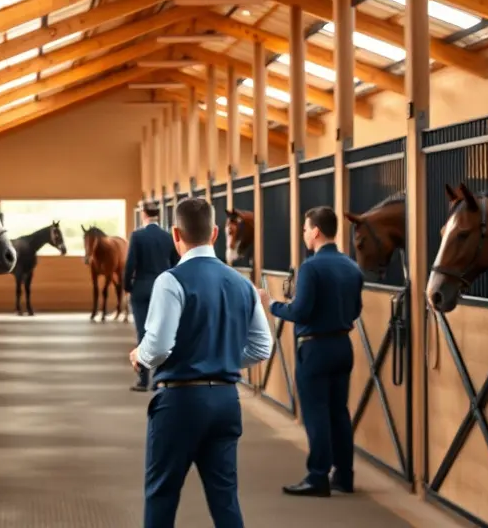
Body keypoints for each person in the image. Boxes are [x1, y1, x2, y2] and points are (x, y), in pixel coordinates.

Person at [129, 198, 274, 528]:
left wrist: (141, 355)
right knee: (225, 499)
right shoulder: (242, 284)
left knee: (162, 495)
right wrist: (218, 355)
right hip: (226, 400)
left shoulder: (171, 280)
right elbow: (262, 347)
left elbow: (160, 346)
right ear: (215, 233)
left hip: (180, 401)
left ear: (175, 234)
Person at [257, 206, 363, 498]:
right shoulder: (352, 267)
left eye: (305, 229)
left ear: (315, 231)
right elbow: (355, 310)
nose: (304, 234)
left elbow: (301, 312)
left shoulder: (311, 268)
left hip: (315, 348)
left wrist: (272, 305)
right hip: (343, 345)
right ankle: (344, 474)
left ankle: (318, 476)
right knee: (339, 412)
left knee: (316, 413)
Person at [123, 202, 179, 391]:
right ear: (158, 214)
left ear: (143, 214)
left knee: (143, 332)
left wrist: (128, 286)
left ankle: (143, 379)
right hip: (163, 290)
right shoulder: (168, 237)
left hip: (141, 289)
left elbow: (130, 264)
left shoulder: (138, 236)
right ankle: (160, 378)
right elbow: (175, 265)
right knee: (163, 331)